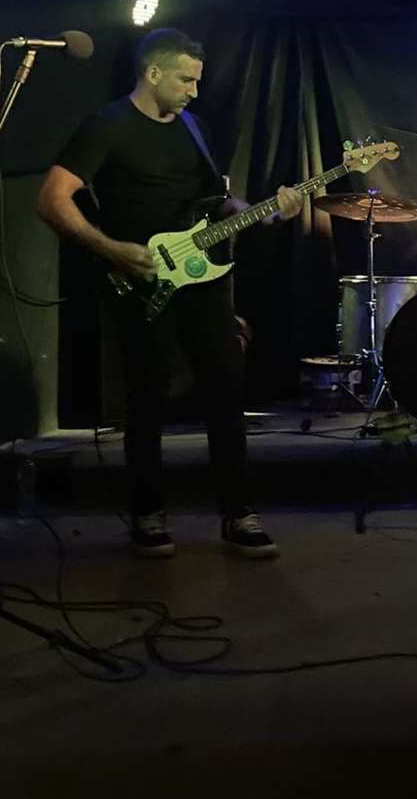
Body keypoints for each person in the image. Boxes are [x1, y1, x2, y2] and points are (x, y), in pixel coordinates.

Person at [35, 28, 303, 560]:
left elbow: (217, 201)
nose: (194, 91)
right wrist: (112, 249)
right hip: (141, 280)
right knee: (149, 398)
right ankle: (147, 514)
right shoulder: (106, 126)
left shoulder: (195, 128)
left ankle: (240, 514)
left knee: (226, 390)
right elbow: (51, 199)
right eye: (185, 80)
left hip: (204, 279)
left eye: (197, 81)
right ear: (152, 73)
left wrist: (264, 211)